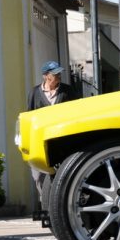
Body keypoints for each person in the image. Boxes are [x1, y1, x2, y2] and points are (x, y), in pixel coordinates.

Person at [27, 60, 76, 197]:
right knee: (39, 177)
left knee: (61, 174)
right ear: (46, 76)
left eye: (59, 73)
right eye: (55, 74)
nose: (59, 76)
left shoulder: (67, 91)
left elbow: (76, 112)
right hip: (42, 141)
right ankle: (45, 202)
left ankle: (59, 201)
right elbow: (30, 115)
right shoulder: (35, 93)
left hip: (63, 141)